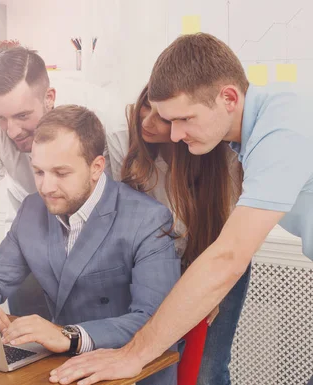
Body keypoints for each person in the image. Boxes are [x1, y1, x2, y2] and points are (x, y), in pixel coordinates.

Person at [49, 33, 313, 385]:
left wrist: (133, 355)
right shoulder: (250, 134)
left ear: (229, 98)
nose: (174, 136)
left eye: (185, 119)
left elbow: (228, 256)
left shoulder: (281, 129)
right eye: (169, 120)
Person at [0, 105, 180, 385]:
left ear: (96, 168)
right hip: (63, 371)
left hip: (132, 374)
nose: (46, 187)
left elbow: (155, 320)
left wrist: (69, 335)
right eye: (39, 172)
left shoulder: (149, 219)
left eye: (61, 173)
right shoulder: (31, 209)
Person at [0, 47, 110, 319]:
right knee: (27, 332)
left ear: (49, 98)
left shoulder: (104, 115)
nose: (12, 130)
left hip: (102, 232)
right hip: (37, 223)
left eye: (22, 116)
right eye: (1, 117)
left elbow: (132, 196)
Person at [108, 85, 245, 384]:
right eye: (147, 105)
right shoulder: (122, 140)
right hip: (151, 266)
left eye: (164, 118)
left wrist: (213, 290)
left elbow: (229, 242)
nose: (146, 121)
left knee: (206, 369)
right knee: (155, 365)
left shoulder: (224, 157)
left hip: (215, 259)